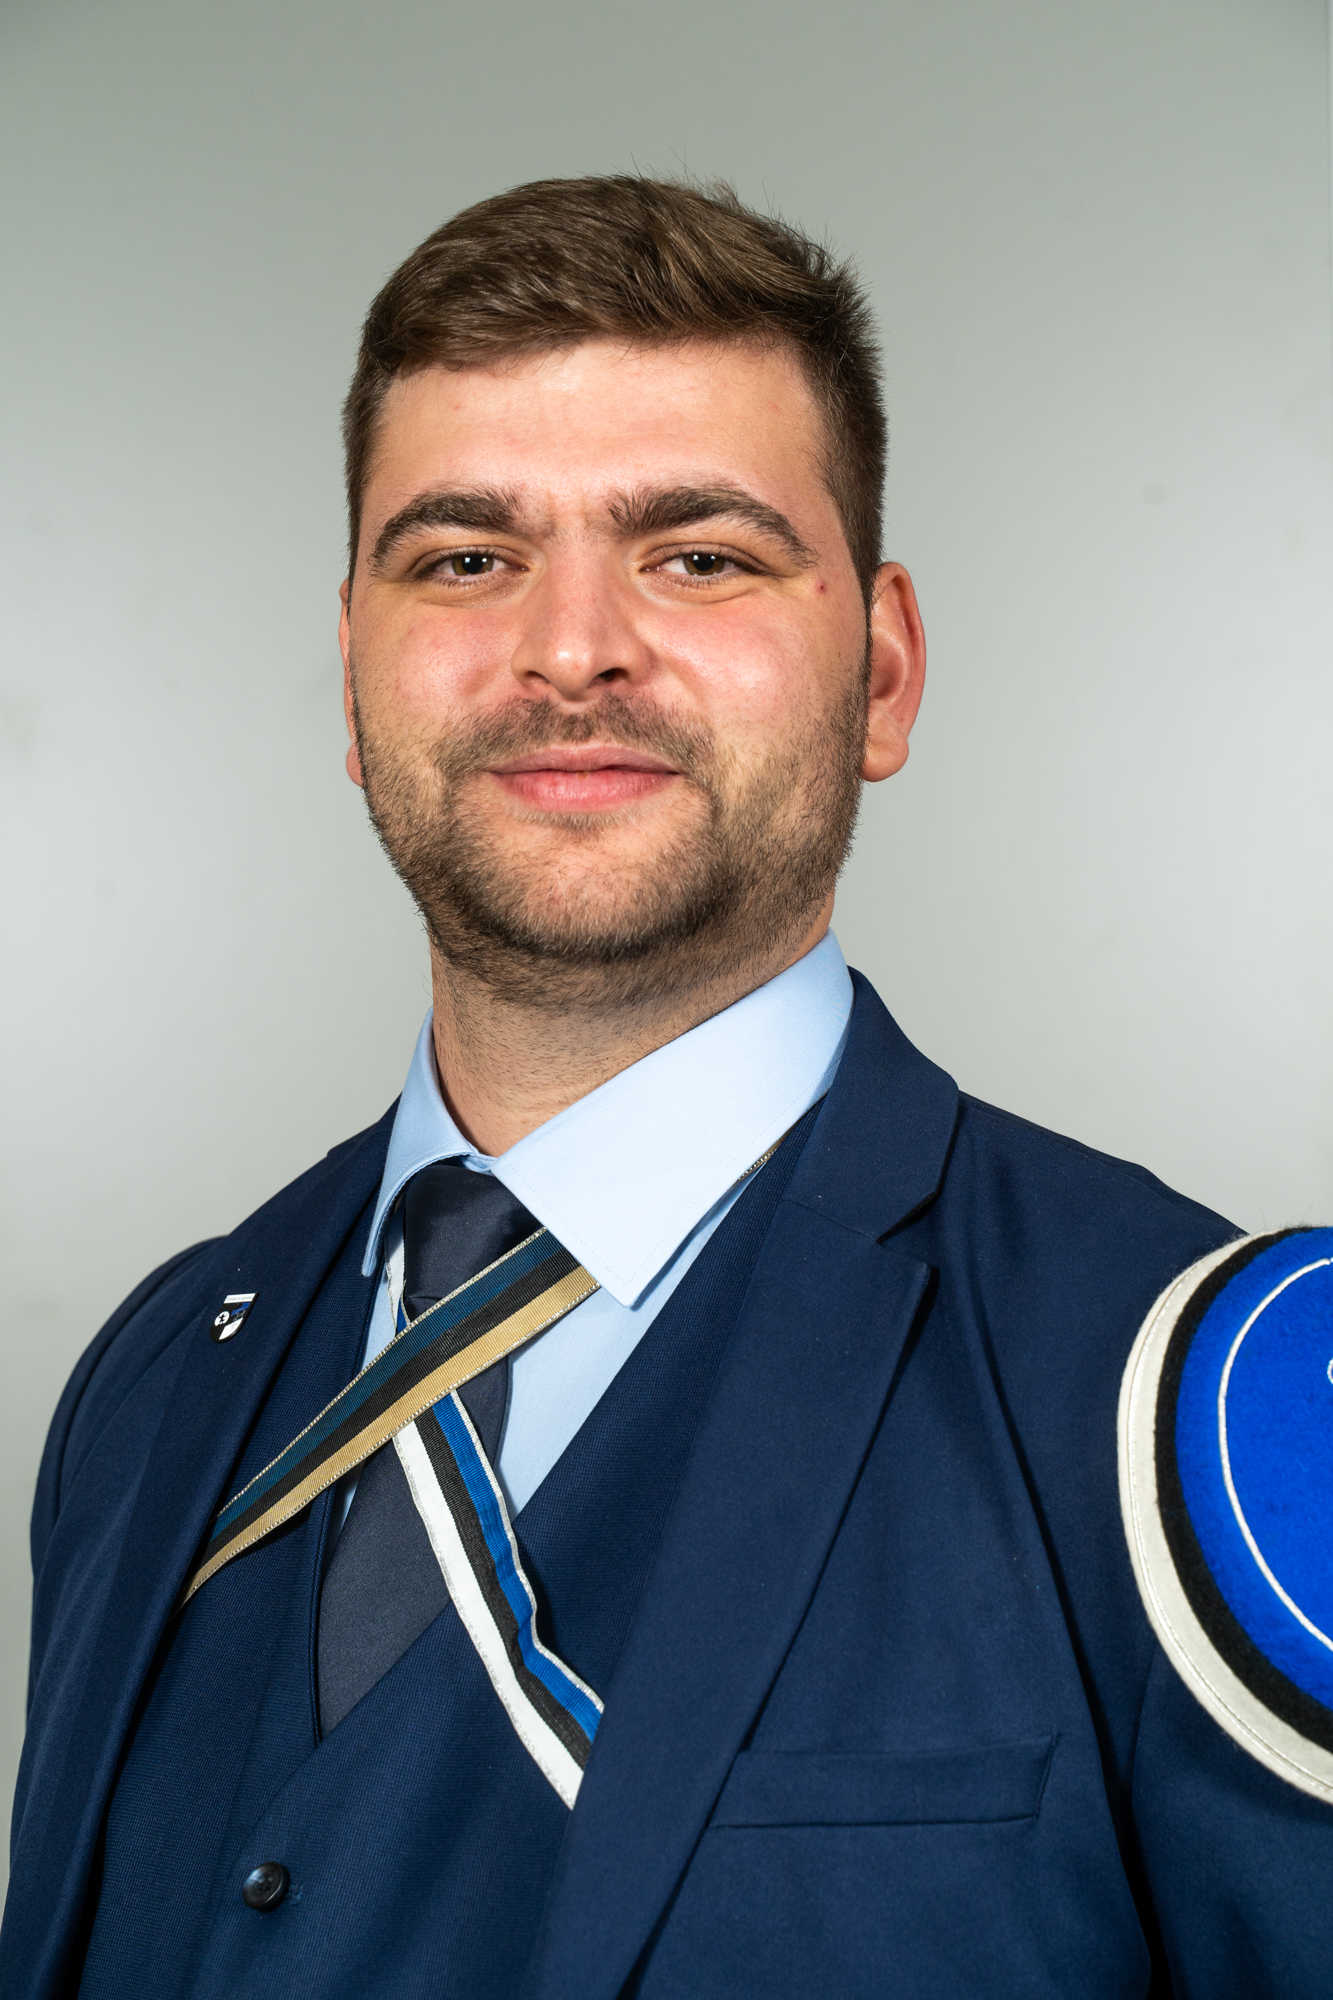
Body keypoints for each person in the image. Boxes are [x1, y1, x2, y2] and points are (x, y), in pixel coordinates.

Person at [4, 174, 1330, 2000]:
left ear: (882, 673)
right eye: (463, 559)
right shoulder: (155, 1379)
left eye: (698, 555)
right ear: (353, 677)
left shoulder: (1205, 1402)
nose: (570, 650)